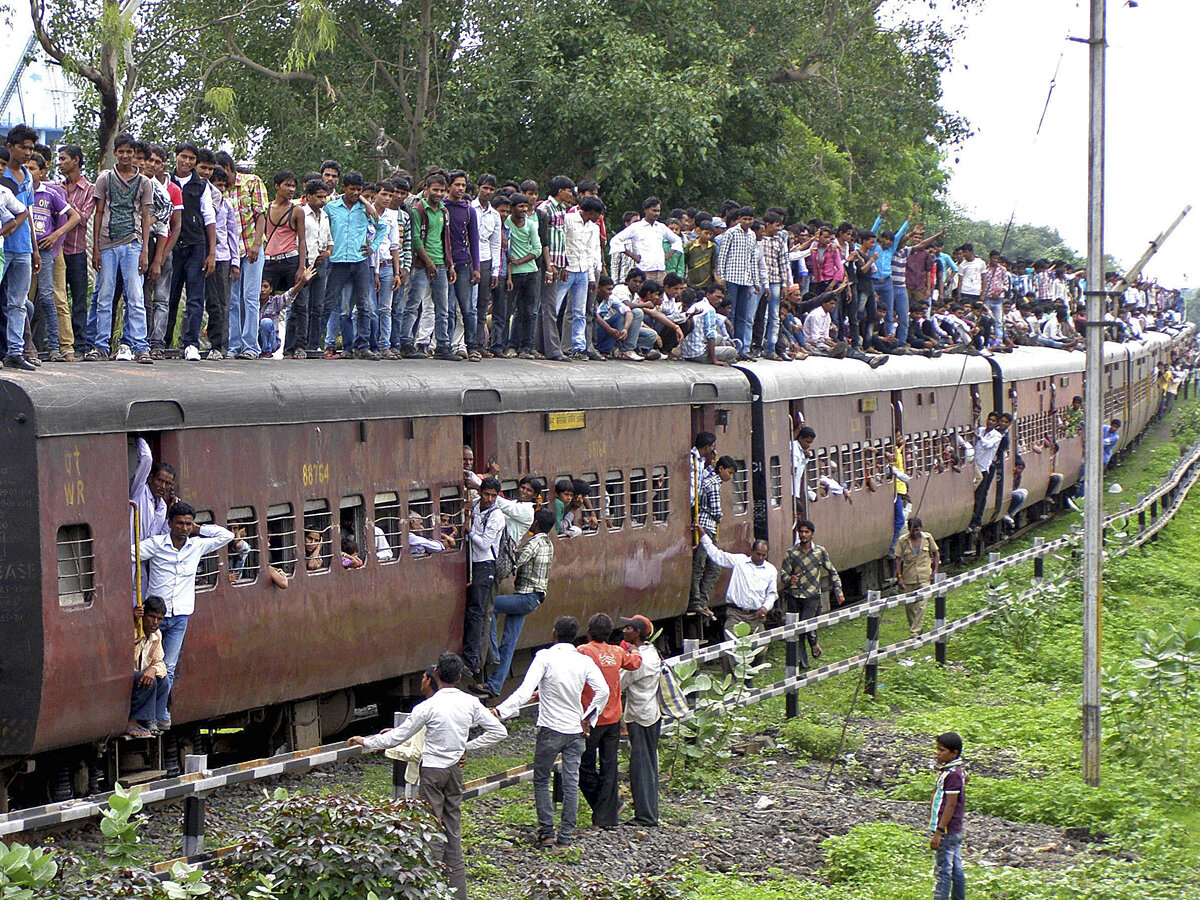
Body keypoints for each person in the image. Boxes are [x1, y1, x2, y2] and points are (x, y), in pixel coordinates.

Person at [350, 653, 507, 900]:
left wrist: (368, 742)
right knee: (452, 831)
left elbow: (397, 737)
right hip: (455, 772)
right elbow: (499, 731)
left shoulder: (427, 707)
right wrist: (467, 746)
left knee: (431, 830)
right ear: (458, 677)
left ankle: (430, 889)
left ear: (435, 675)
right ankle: (457, 894)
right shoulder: (470, 703)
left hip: (432, 773)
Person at [494, 616, 609, 849]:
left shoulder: (544, 657)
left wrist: (500, 711)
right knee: (570, 783)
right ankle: (566, 837)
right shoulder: (583, 661)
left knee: (541, 780)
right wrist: (588, 717)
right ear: (575, 636)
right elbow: (603, 690)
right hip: (575, 731)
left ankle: (547, 833)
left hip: (550, 730)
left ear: (554, 633)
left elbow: (524, 691)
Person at [136, 502, 241, 728]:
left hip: (180, 617)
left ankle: (159, 713)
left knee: (168, 667)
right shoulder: (156, 545)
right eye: (180, 523)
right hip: (155, 616)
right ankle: (145, 714)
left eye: (187, 523)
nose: (184, 527)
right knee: (146, 664)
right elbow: (131, 553)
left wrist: (198, 528)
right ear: (170, 523)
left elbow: (225, 536)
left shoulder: (196, 546)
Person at [87, 132, 155, 362]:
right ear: (115, 153)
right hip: (107, 243)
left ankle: (140, 345)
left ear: (134, 154)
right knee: (104, 295)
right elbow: (98, 213)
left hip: (132, 243)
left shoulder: (144, 182)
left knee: (135, 296)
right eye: (121, 151)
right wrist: (96, 247)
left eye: (129, 152)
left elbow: (146, 217)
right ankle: (100, 345)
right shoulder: (105, 179)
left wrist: (145, 249)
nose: (125, 155)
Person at [480, 506, 556, 697]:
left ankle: (493, 653)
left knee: (490, 606)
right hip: (533, 598)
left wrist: (505, 550)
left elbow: (517, 560)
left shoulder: (535, 543)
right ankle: (494, 685)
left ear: (535, 523)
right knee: (510, 643)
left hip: (525, 597)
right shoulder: (548, 543)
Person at [577, 613, 641, 830]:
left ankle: (606, 808)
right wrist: (634, 649)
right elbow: (635, 663)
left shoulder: (584, 651)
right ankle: (607, 816)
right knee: (609, 766)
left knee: (583, 766)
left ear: (588, 632)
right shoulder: (617, 652)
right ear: (610, 634)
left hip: (591, 719)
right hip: (613, 718)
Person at [696, 530, 778, 674]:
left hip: (756, 616)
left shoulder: (771, 570)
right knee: (729, 647)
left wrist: (765, 607)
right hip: (736, 613)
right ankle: (731, 679)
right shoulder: (740, 561)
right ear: (751, 551)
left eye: (763, 555)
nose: (760, 557)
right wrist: (703, 536)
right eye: (757, 554)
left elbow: (772, 594)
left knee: (761, 649)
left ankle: (749, 675)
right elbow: (718, 556)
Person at [779, 519, 844, 669]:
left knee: (806, 624)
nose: (803, 535)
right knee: (796, 628)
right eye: (801, 532)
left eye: (806, 532)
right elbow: (783, 574)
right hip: (795, 595)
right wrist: (790, 579)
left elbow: (832, 571)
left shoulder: (820, 552)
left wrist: (838, 591)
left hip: (812, 595)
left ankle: (814, 643)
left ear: (812, 534)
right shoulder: (791, 553)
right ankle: (802, 661)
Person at [617, 614, 662, 827]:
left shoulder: (641, 660)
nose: (624, 630)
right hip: (650, 714)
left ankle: (646, 816)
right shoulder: (651, 652)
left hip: (641, 718)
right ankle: (650, 811)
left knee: (641, 767)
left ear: (636, 633)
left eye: (628, 628)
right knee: (648, 764)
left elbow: (619, 682)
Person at [463, 476, 505, 681]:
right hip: (474, 562)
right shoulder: (476, 504)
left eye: (493, 496)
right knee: (474, 611)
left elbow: (485, 543)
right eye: (486, 494)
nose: (489, 499)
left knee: (477, 611)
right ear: (481, 492)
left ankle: (472, 659)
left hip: (485, 563)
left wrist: (469, 532)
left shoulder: (497, 516)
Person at [689, 455, 735, 619]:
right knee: (709, 566)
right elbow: (716, 511)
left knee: (703, 565)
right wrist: (720, 517)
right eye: (729, 472)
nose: (730, 477)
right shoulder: (715, 484)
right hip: (706, 528)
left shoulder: (708, 478)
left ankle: (699, 601)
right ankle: (698, 601)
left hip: (702, 526)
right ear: (721, 469)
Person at [929, 731, 967, 900]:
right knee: (956, 868)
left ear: (954, 753)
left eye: (942, 750)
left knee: (943, 871)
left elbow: (950, 805)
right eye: (937, 749)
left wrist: (939, 831)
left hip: (947, 830)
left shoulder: (952, 774)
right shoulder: (957, 771)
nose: (938, 753)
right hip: (956, 828)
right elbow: (966, 778)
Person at [126, 595, 169, 738]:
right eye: (151, 617)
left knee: (163, 679)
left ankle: (152, 719)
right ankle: (131, 722)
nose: (155, 622)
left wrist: (153, 669)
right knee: (148, 680)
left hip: (141, 677)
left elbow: (160, 662)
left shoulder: (156, 635)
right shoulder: (131, 630)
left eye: (159, 619)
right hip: (128, 679)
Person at [894, 516, 939, 638]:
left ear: (921, 528)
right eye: (913, 530)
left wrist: (935, 570)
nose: (915, 532)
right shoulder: (903, 541)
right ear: (909, 529)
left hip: (925, 576)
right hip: (909, 577)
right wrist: (899, 577)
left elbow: (935, 553)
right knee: (910, 607)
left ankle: (914, 631)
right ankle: (916, 627)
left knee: (922, 604)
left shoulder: (928, 538)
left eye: (917, 530)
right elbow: (898, 559)